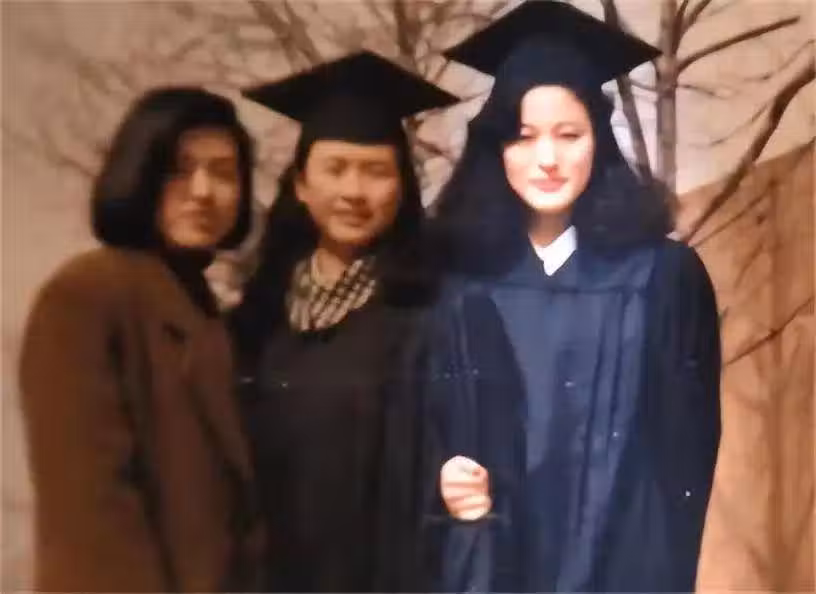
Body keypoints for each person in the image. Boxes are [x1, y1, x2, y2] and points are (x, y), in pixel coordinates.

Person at [383, 2, 722, 591]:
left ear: (599, 142)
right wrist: (446, 481)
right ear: (496, 148)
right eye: (523, 137)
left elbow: (686, 459)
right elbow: (426, 438)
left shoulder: (661, 279)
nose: (547, 159)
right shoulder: (457, 289)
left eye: (569, 135)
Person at [19, 87, 263, 592]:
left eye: (224, 173)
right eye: (178, 169)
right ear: (139, 172)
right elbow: (93, 515)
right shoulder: (87, 296)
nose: (203, 191)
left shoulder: (200, 307)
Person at [230, 51, 458, 592]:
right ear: (301, 185)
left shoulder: (431, 321)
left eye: (377, 171)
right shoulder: (253, 325)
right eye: (335, 169)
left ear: (402, 189)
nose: (354, 192)